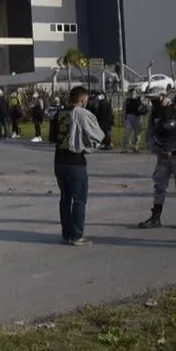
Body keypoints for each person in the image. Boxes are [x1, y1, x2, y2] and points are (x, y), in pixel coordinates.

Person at [52, 86, 105, 245]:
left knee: (65, 199)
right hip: (75, 161)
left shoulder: (59, 113)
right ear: (82, 99)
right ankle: (76, 235)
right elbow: (98, 135)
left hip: (59, 160)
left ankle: (66, 233)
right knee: (79, 199)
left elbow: (52, 136)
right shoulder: (81, 113)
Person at [138, 90, 176, 230]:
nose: (152, 101)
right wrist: (157, 149)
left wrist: (172, 148)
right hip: (162, 156)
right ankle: (156, 217)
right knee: (159, 185)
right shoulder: (154, 112)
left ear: (163, 96)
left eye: (155, 98)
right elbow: (149, 133)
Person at [123, 88, 147, 153]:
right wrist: (124, 118)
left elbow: (144, 107)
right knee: (126, 133)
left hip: (137, 117)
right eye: (131, 93)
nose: (132, 94)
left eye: (134, 93)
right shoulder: (127, 100)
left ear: (136, 93)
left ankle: (136, 147)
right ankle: (125, 148)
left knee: (137, 134)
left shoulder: (139, 100)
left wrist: (142, 103)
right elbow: (124, 110)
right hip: (129, 117)